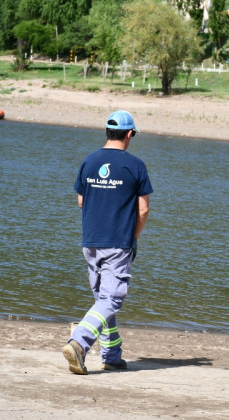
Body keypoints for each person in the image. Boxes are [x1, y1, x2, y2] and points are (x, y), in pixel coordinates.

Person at [62, 110, 153, 375]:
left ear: (106, 132)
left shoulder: (89, 161)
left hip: (90, 240)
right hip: (118, 241)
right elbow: (144, 211)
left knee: (103, 299)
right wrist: (133, 236)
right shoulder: (136, 166)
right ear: (130, 134)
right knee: (112, 298)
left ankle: (112, 354)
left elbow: (81, 201)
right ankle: (79, 343)